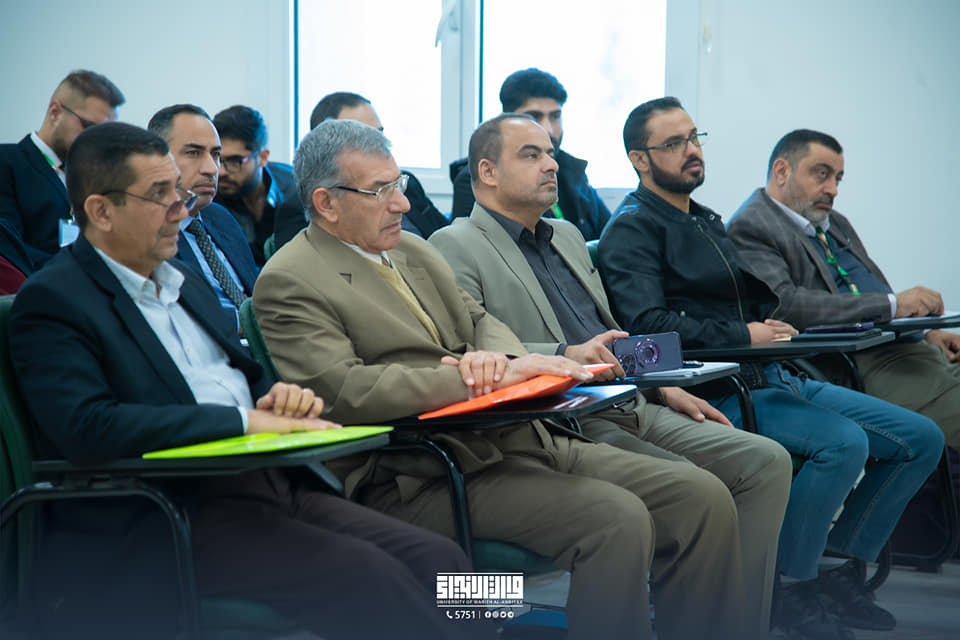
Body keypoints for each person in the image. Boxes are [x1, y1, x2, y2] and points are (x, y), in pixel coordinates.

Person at [253, 117, 751, 640]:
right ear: (326, 203)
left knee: (700, 496)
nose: (401, 203)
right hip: (416, 470)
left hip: (513, 433)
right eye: (381, 191)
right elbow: (345, 391)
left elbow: (478, 320)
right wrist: (480, 380)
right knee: (617, 519)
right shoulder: (291, 279)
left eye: (399, 184)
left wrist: (507, 361)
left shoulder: (411, 249)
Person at [8, 121, 482, 640]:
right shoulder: (55, 300)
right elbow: (88, 427)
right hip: (169, 512)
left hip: (272, 484)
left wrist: (275, 399)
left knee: (443, 559)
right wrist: (244, 422)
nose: (182, 209)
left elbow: (238, 378)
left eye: (178, 192)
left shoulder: (184, 282)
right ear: (101, 211)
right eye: (160, 195)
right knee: (372, 576)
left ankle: (487, 630)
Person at [430, 113, 792, 637]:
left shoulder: (568, 236)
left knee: (766, 462)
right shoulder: (454, 243)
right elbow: (471, 347)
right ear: (487, 172)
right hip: (566, 415)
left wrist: (662, 384)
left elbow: (610, 333)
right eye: (531, 155)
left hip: (631, 397)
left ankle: (736, 626)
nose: (551, 164)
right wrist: (564, 354)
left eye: (550, 152)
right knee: (701, 493)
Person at [599, 97, 944, 639]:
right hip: (717, 387)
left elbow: (746, 305)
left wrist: (766, 327)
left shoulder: (703, 220)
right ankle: (788, 587)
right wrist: (745, 335)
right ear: (639, 160)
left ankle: (836, 573)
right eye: (674, 143)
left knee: (921, 438)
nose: (692, 150)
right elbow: (644, 332)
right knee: (842, 444)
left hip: (770, 373)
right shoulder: (633, 229)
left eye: (694, 137)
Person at [727, 129, 960, 449]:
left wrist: (926, 332)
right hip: (859, 364)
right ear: (781, 171)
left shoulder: (833, 221)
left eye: (838, 178)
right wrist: (893, 305)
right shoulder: (751, 225)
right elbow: (786, 305)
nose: (833, 189)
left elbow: (868, 286)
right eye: (822, 174)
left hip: (906, 348)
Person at [450, 68, 610, 240]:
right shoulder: (479, 178)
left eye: (555, 116)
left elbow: (608, 238)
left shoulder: (569, 169)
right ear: (507, 119)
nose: (548, 129)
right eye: (534, 116)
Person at [147, 105, 258, 327]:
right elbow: (177, 314)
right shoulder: (147, 230)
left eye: (215, 155)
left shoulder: (220, 217)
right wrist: (250, 324)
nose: (213, 169)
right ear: (156, 157)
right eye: (193, 153)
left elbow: (256, 294)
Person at [0, 69, 124, 266]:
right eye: (89, 127)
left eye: (106, 133)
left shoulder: (96, 180)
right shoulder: (7, 162)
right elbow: (9, 252)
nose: (98, 141)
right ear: (55, 112)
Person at [295, 91, 448, 243]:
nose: (376, 144)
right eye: (359, 138)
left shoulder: (406, 183)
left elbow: (445, 238)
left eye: (378, 134)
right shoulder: (301, 210)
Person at [212, 105, 304, 265]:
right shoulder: (209, 200)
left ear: (262, 157)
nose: (221, 172)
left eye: (235, 161)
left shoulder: (298, 191)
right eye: (217, 158)